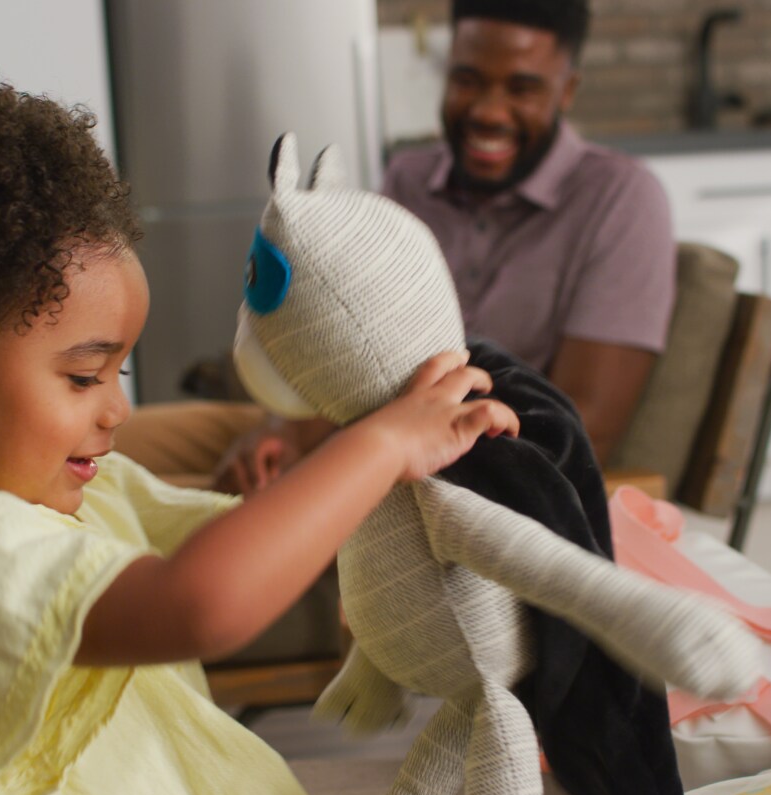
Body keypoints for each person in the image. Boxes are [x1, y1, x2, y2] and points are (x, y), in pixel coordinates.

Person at [0, 62, 517, 795]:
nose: (116, 409)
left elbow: (261, 542)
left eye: (118, 375)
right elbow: (201, 602)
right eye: (85, 377)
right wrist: (380, 445)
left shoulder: (81, 493)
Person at [208, 0, 674, 495]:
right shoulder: (409, 177)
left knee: (177, 522)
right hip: (363, 436)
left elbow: (583, 431)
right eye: (467, 80)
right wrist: (286, 433)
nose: (488, 111)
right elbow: (354, 345)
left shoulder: (620, 198)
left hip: (454, 483)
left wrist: (355, 460)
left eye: (522, 88)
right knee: (146, 457)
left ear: (567, 91)